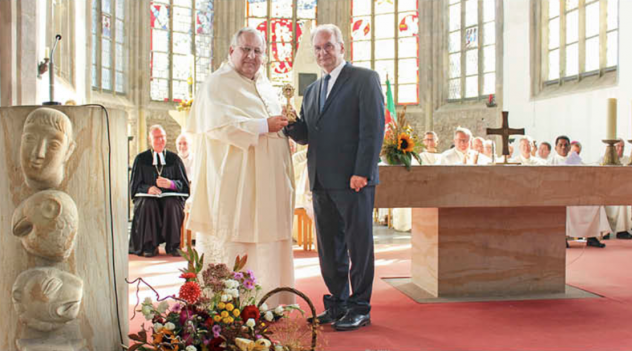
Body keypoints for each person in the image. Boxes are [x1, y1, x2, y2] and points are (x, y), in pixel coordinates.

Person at [284, 24, 384, 331]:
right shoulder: (313, 90)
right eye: (317, 48)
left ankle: (361, 307)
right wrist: (287, 121)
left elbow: (373, 127)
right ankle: (339, 303)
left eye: (328, 46)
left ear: (342, 46)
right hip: (321, 182)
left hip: (353, 180)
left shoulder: (364, 79)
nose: (322, 52)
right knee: (329, 249)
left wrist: (362, 172)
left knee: (358, 246)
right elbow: (307, 135)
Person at [186, 27, 295, 306]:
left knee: (269, 240)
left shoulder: (266, 84)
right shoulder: (217, 83)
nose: (252, 56)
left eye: (258, 51)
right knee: (240, 239)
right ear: (231, 51)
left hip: (269, 185)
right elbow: (220, 127)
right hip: (236, 185)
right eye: (246, 49)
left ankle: (271, 303)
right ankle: (234, 306)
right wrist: (264, 126)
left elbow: (274, 123)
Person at [129, 125, 189, 257]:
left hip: (170, 198)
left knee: (172, 204)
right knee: (148, 204)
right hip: (148, 199)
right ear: (150, 139)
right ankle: (150, 246)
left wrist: (171, 184)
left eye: (163, 137)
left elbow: (184, 185)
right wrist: (148, 188)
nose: (160, 140)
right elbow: (134, 185)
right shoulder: (141, 159)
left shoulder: (174, 159)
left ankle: (173, 246)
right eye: (157, 137)